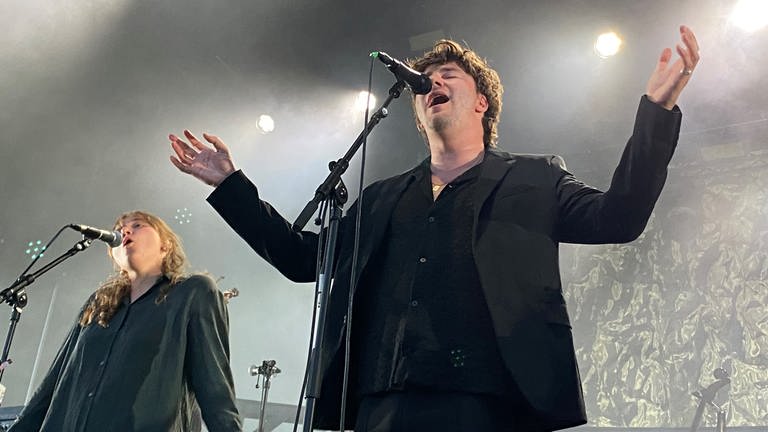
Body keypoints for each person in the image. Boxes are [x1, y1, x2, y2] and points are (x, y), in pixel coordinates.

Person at [169, 25, 699, 431]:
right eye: (428, 81)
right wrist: (231, 183)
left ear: (482, 102)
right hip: (378, 401)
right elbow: (304, 260)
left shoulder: (535, 179)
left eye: (451, 76)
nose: (434, 83)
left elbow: (619, 218)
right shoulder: (382, 197)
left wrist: (656, 111)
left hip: (488, 400)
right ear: (418, 113)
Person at [10, 211, 242, 432]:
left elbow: (215, 387)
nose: (126, 232)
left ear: (166, 244)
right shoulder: (98, 304)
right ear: (114, 255)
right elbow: (54, 382)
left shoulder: (193, 292)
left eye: (138, 225)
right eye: (121, 229)